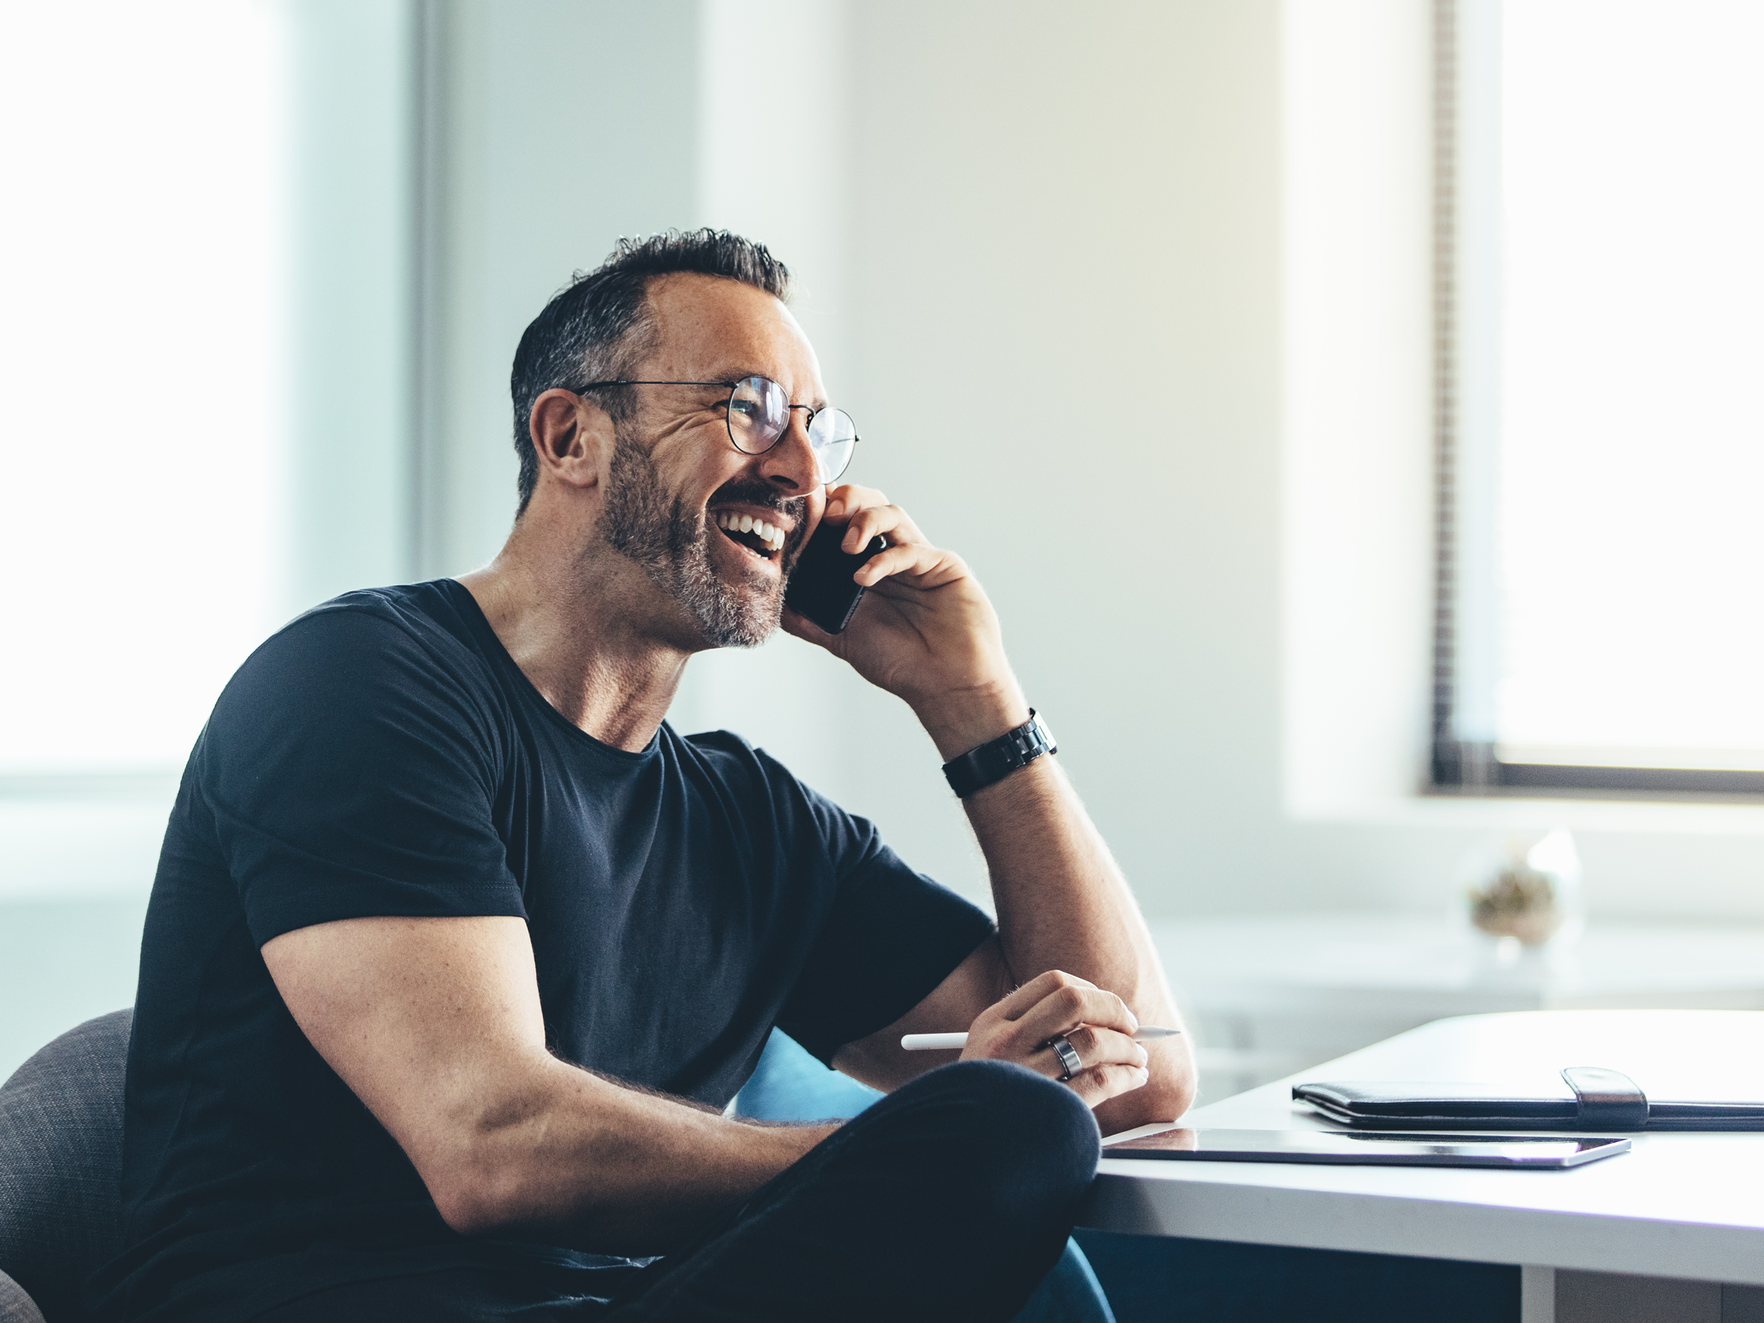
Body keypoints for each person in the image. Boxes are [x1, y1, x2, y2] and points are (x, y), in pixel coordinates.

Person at [88, 230, 1195, 1323]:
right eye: (748, 407)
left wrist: (975, 703)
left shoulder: (755, 826)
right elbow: (491, 1146)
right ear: (571, 435)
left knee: (1021, 1127)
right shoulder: (358, 685)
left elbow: (1129, 1081)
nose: (803, 472)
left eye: (817, 432)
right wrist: (914, 1151)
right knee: (1003, 1129)